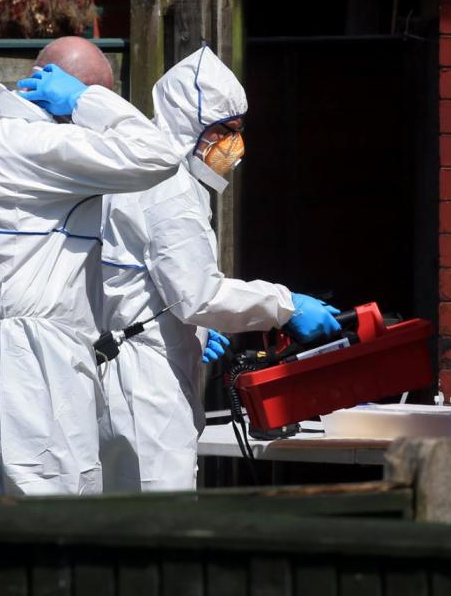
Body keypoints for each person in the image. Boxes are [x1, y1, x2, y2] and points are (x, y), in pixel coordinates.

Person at [0, 37, 181, 496]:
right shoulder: (41, 143)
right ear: (60, 91)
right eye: (92, 96)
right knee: (58, 516)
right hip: (31, 358)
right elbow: (158, 155)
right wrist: (89, 101)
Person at [98, 46, 340, 492]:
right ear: (192, 126)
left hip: (130, 367)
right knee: (159, 523)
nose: (235, 144)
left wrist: (200, 333)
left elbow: (150, 283)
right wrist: (284, 305)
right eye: (226, 130)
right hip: (147, 385)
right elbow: (199, 296)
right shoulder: (168, 184)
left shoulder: (143, 174)